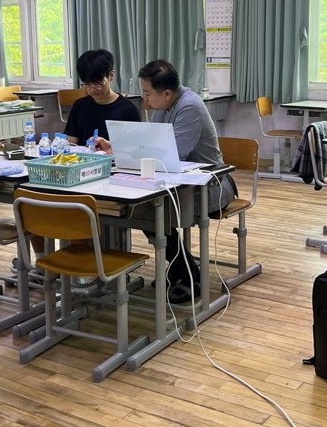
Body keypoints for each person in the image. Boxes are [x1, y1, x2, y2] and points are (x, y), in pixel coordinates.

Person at [98, 58, 235, 303]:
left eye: (147, 93)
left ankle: (188, 274)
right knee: (142, 208)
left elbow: (174, 154)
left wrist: (134, 153)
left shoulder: (190, 107)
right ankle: (183, 268)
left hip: (211, 185)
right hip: (179, 184)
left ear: (167, 93)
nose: (144, 99)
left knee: (146, 210)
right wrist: (116, 147)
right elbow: (151, 143)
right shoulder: (164, 104)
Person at [64, 49, 140, 145]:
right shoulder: (79, 106)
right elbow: (71, 143)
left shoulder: (128, 110)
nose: (92, 90)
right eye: (87, 84)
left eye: (97, 84)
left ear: (111, 76)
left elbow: (133, 146)